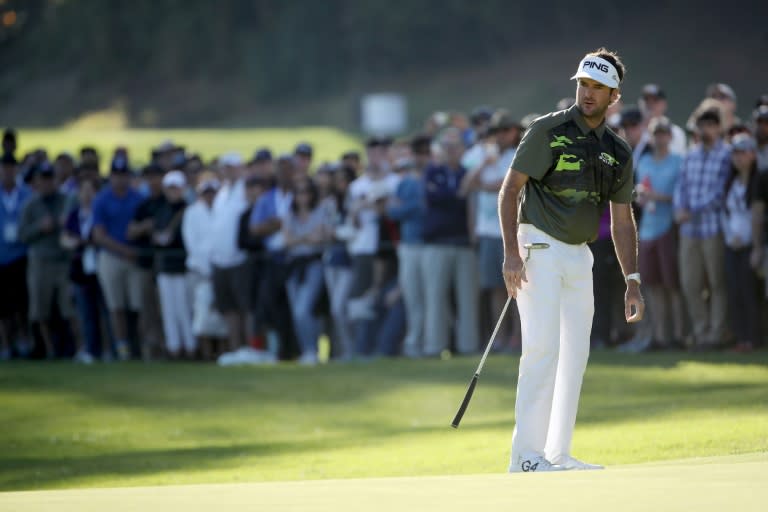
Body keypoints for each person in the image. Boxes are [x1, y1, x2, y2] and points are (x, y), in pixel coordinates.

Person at [499, 48, 643, 472]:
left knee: (574, 356)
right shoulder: (548, 130)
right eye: (583, 84)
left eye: (598, 87)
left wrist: (632, 279)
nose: (588, 93)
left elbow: (622, 220)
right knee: (542, 349)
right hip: (538, 248)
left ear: (614, 95)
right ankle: (525, 456)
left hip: (580, 257)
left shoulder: (617, 150)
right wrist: (510, 253)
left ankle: (556, 453)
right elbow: (510, 190)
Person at [673, 108, 731, 350]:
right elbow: (681, 185)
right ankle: (701, 331)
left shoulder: (726, 155)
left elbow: (720, 192)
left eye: (710, 125)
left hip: (713, 228)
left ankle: (715, 335)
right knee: (690, 283)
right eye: (702, 125)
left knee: (717, 283)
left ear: (718, 127)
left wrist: (691, 209)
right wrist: (679, 208)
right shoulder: (691, 155)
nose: (705, 130)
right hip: (689, 231)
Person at [422, 127, 479, 356]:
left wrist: (458, 193)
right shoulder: (432, 171)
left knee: (468, 299)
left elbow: (462, 200)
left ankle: (468, 346)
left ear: (462, 150)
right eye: (446, 147)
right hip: (437, 243)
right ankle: (434, 346)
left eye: (454, 147)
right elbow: (437, 198)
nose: (450, 151)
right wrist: (459, 192)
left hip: (464, 243)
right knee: (435, 298)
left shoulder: (467, 172)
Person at [635, 117, 685, 349]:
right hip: (647, 230)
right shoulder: (643, 161)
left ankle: (678, 334)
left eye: (663, 133)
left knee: (671, 284)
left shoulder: (678, 162)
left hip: (668, 228)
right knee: (652, 286)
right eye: (656, 133)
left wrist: (658, 197)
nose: (660, 137)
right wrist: (642, 197)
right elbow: (638, 193)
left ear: (670, 136)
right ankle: (660, 335)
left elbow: (682, 197)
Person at [18, 163, 76, 359]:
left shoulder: (65, 201)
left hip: (63, 260)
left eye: (50, 178)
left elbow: (75, 225)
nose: (47, 183)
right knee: (40, 309)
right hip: (40, 262)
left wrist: (64, 224)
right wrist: (40, 228)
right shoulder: (31, 205)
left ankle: (73, 348)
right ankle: (49, 348)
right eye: (43, 179)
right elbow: (22, 235)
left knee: (68, 307)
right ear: (36, 182)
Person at [92, 160, 145, 360]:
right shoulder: (102, 199)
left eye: (124, 174)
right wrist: (124, 250)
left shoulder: (138, 198)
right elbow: (99, 235)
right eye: (116, 174)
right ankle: (122, 348)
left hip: (135, 257)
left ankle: (139, 346)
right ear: (111, 176)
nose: (120, 178)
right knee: (117, 306)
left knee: (137, 306)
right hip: (111, 256)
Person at [61, 177, 114, 362]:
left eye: (91, 191)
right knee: (86, 312)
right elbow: (65, 238)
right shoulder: (75, 214)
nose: (87, 195)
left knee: (106, 310)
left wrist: (88, 241)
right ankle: (92, 350)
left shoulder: (101, 212)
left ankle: (111, 349)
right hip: (81, 268)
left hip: (101, 263)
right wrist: (75, 243)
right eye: (83, 191)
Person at [282, 180, 331, 365]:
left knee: (304, 309)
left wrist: (299, 239)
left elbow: (320, 237)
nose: (302, 196)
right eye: (298, 192)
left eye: (306, 192)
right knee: (296, 311)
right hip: (294, 266)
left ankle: (312, 350)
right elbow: (287, 240)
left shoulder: (320, 212)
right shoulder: (289, 215)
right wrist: (306, 238)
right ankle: (306, 351)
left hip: (313, 265)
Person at [721, 135, 761, 352]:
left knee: (748, 292)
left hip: (748, 246)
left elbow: (756, 217)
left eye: (743, 152)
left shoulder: (759, 182)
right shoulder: (732, 182)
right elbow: (726, 214)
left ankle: (752, 339)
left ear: (753, 155)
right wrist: (730, 238)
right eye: (735, 153)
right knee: (734, 291)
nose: (739, 157)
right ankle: (741, 338)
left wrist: (750, 243)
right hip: (732, 245)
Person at [182, 174, 227, 360]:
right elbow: (192, 244)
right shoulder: (192, 212)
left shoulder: (223, 210)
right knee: (201, 316)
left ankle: (223, 353)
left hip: (221, 271)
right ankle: (205, 355)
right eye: (206, 192)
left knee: (221, 317)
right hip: (199, 272)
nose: (210, 196)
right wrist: (208, 270)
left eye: (212, 192)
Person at [153, 171, 193, 359]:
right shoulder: (161, 210)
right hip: (164, 266)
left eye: (176, 188)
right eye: (170, 188)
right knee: (169, 311)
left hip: (182, 266)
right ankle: (174, 347)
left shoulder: (189, 209)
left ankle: (190, 347)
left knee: (184, 309)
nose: (173, 191)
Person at [0, 154, 33, 360]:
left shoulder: (27, 194)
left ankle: (23, 341)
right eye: (4, 168)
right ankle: (5, 344)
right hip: (1, 257)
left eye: (11, 168)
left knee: (22, 304)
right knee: (2, 309)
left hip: (22, 256)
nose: (7, 172)